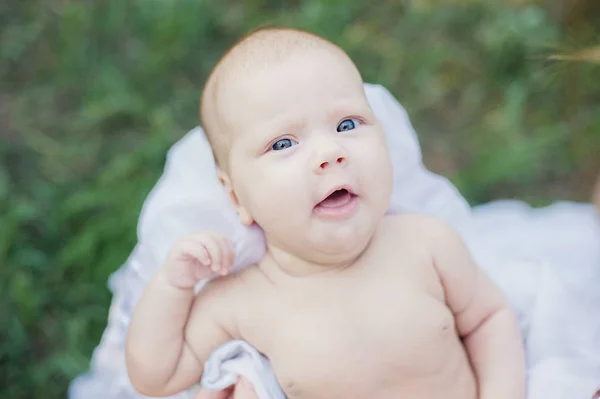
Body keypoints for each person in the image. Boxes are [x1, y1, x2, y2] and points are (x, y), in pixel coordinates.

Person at [124, 27, 525, 399]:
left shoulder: (425, 243)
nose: (330, 153)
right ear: (236, 198)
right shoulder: (240, 301)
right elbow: (155, 375)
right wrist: (172, 286)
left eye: (347, 123)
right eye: (283, 144)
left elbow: (489, 318)